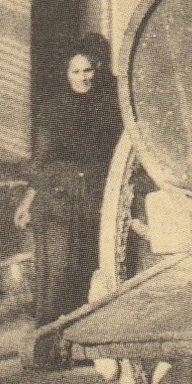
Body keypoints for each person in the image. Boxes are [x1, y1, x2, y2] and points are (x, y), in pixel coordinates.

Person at [17, 38, 124, 328]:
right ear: (66, 74)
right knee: (59, 267)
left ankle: (84, 336)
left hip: (97, 194)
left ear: (96, 70)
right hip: (59, 197)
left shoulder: (109, 107)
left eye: (87, 70)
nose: (83, 78)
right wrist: (30, 199)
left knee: (91, 266)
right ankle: (50, 339)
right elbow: (41, 159)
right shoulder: (53, 110)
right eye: (76, 72)